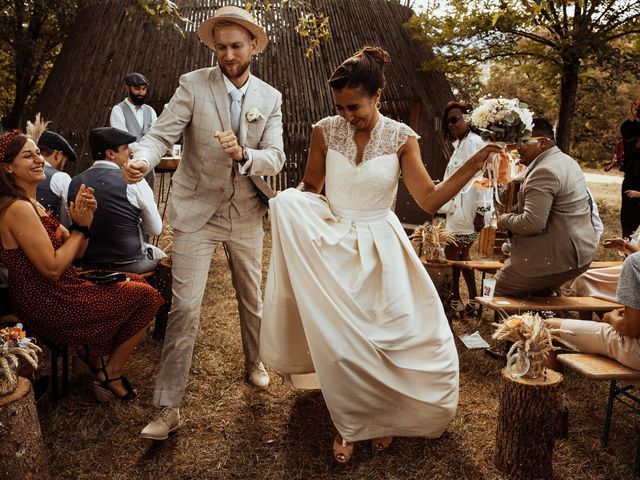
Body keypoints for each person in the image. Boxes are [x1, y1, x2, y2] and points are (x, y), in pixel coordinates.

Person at [259, 46, 498, 463]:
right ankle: (350, 423)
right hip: (334, 242)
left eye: (354, 106)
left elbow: (428, 198)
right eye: (339, 106)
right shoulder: (324, 131)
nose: (346, 115)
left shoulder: (402, 138)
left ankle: (384, 417)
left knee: (392, 335)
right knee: (344, 341)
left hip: (381, 244)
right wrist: (289, 207)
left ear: (378, 97)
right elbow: (311, 185)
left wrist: (474, 164)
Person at [123, 6, 285, 440]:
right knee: (185, 309)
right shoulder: (192, 86)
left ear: (253, 46)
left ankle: (255, 361)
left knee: (251, 297)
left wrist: (244, 156)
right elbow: (160, 134)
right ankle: (167, 407)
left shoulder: (271, 98)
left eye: (236, 46)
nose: (228, 55)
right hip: (196, 212)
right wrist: (142, 159)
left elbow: (276, 156)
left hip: (246, 211)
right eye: (221, 47)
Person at [0, 130, 163, 401]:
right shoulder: (17, 209)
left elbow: (77, 252)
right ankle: (110, 373)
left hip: (63, 288)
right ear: (8, 166)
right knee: (147, 297)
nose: (39, 159)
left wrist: (84, 223)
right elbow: (52, 268)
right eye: (28, 156)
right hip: (47, 300)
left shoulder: (32, 204)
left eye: (38, 153)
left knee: (134, 283)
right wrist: (79, 229)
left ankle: (93, 361)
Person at [494, 118, 597, 297]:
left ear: (542, 143)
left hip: (560, 257)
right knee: (540, 292)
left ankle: (527, 324)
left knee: (498, 288)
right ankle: (550, 314)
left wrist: (504, 220)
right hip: (581, 252)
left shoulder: (544, 171)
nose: (518, 147)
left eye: (523, 142)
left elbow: (532, 223)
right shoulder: (566, 161)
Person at [68, 127, 166, 274]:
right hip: (130, 264)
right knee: (164, 259)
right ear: (110, 154)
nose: (131, 151)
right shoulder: (135, 181)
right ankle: (153, 296)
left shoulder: (74, 182)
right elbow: (155, 229)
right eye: (126, 147)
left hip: (88, 264)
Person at [437, 101, 493, 314]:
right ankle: (469, 300)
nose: (451, 125)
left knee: (454, 254)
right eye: (448, 121)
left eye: (455, 120)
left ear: (468, 120)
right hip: (458, 210)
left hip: (467, 211)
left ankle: (459, 300)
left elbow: (483, 179)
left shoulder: (473, 143)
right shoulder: (461, 144)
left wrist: (481, 211)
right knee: (459, 256)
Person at [546, 251, 640, 370]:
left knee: (547, 326)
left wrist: (611, 319)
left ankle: (549, 386)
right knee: (584, 278)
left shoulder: (635, 262)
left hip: (635, 352)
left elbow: (630, 329)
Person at [110, 72, 158, 189]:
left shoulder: (150, 111)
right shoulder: (118, 110)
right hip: (127, 166)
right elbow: (122, 140)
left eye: (144, 89)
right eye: (137, 89)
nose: (141, 93)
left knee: (148, 200)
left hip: (147, 166)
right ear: (127, 87)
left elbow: (156, 136)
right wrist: (148, 147)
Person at [572, 228, 640, 302]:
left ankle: (611, 311)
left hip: (635, 276)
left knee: (584, 278)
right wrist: (624, 247)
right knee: (583, 278)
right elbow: (636, 251)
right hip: (631, 268)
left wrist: (626, 245)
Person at [36, 130, 77, 227]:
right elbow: (68, 219)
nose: (63, 166)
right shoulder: (61, 178)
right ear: (58, 155)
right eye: (65, 160)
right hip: (48, 238)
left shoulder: (20, 169)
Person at [615, 97, 640, 238]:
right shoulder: (630, 128)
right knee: (629, 219)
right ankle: (629, 251)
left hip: (632, 177)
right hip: (632, 176)